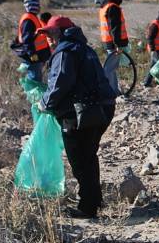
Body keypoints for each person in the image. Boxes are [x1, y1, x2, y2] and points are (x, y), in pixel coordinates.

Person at [37, 16, 116, 219]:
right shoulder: (83, 48)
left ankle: (88, 208)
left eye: (51, 34)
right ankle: (93, 200)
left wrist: (44, 103)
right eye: (46, 35)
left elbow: (60, 83)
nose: (49, 39)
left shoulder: (65, 51)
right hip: (101, 109)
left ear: (62, 32)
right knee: (88, 156)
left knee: (80, 159)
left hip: (83, 114)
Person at [99, 0, 129, 95]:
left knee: (112, 68)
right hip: (113, 43)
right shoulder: (113, 8)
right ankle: (109, 91)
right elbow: (115, 29)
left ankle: (114, 90)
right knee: (109, 69)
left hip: (107, 42)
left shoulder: (104, 6)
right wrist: (117, 45)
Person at [17, 0, 51, 82]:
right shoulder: (29, 20)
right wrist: (32, 54)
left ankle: (32, 93)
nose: (39, 7)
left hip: (37, 54)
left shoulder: (33, 18)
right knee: (35, 78)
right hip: (33, 55)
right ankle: (33, 95)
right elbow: (27, 39)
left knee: (36, 76)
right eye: (37, 5)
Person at [142, 11, 159, 87]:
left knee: (153, 66)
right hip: (155, 50)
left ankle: (146, 82)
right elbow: (150, 38)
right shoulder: (155, 25)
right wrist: (152, 49)